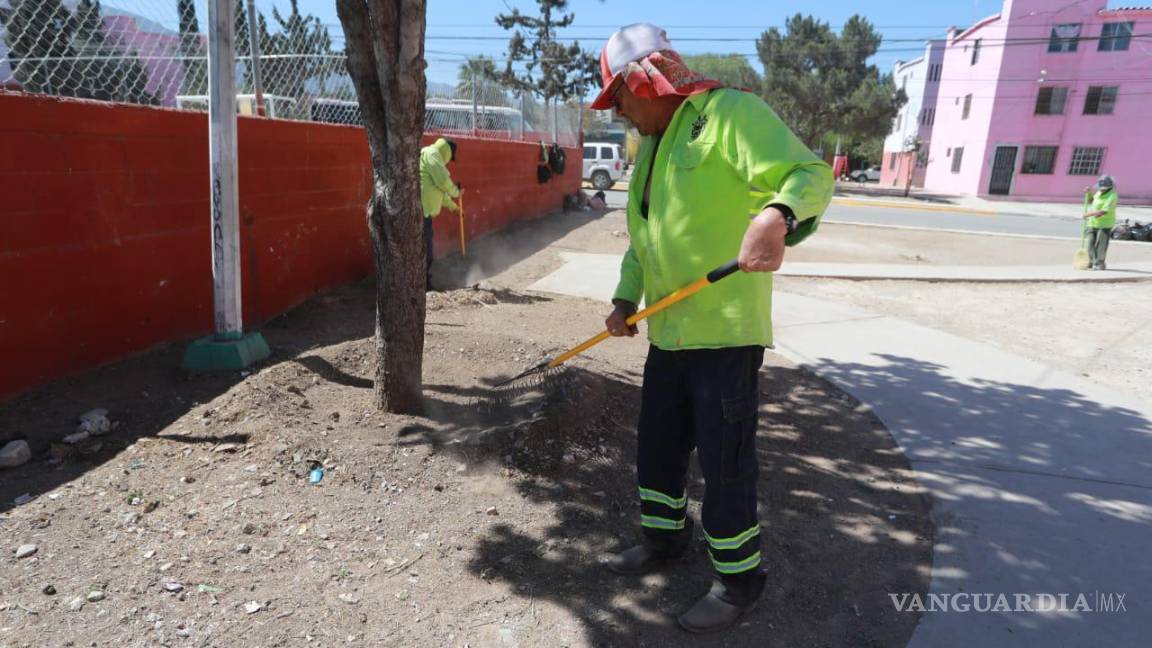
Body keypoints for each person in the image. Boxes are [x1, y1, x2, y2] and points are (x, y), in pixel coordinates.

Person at [590, 23, 833, 633]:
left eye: (617, 99)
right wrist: (625, 297)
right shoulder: (649, 149)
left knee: (725, 466)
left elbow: (809, 174)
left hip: (724, 334)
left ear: (642, 81)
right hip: (667, 333)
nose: (618, 113)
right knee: (658, 448)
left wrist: (777, 215)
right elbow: (643, 239)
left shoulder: (729, 114)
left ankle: (738, 581)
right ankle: (665, 541)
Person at [419, 137, 461, 290]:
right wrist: (456, 192)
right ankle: (422, 285)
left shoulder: (431, 156)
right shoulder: (432, 154)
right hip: (420, 212)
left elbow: (439, 191)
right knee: (425, 252)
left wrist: (453, 207)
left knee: (425, 251)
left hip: (424, 213)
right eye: (450, 158)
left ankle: (423, 283)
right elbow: (444, 182)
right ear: (447, 152)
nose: (449, 161)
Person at [1083, 175, 1118, 270]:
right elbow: (1092, 201)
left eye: (1103, 188)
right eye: (1100, 187)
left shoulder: (1112, 196)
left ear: (1109, 187)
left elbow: (1103, 212)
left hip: (1105, 224)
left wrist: (1088, 214)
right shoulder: (1099, 192)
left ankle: (1099, 263)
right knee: (1090, 243)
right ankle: (1091, 262)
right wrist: (1089, 193)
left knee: (1101, 245)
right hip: (1092, 223)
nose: (1101, 189)